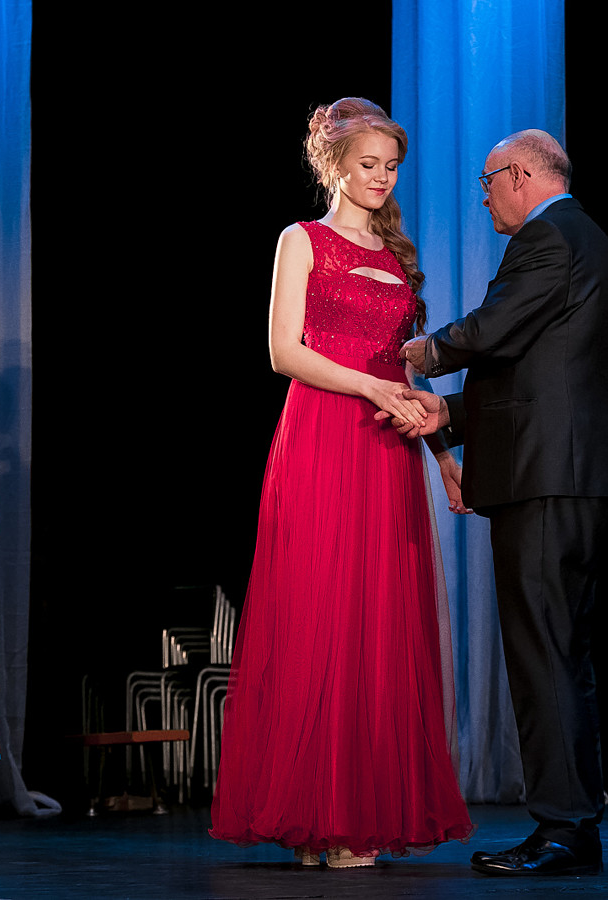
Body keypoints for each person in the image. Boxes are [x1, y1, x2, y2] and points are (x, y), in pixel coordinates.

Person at [210, 98, 474, 867]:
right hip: (323, 435)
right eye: (368, 164)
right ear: (333, 164)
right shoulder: (302, 239)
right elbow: (282, 353)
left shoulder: (394, 255)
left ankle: (352, 815)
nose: (381, 178)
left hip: (387, 449)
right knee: (318, 615)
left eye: (390, 166)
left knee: (377, 624)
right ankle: (313, 814)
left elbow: (404, 371)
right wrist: (367, 387)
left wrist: (444, 454)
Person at [395, 130, 608, 876]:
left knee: (543, 656)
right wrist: (450, 415)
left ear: (521, 174)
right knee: (558, 654)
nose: (484, 197)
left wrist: (424, 352)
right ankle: (573, 823)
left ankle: (563, 829)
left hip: (548, 476)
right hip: (567, 473)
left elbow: (495, 330)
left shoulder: (549, 237)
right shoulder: (583, 240)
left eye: (488, 181)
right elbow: (537, 372)